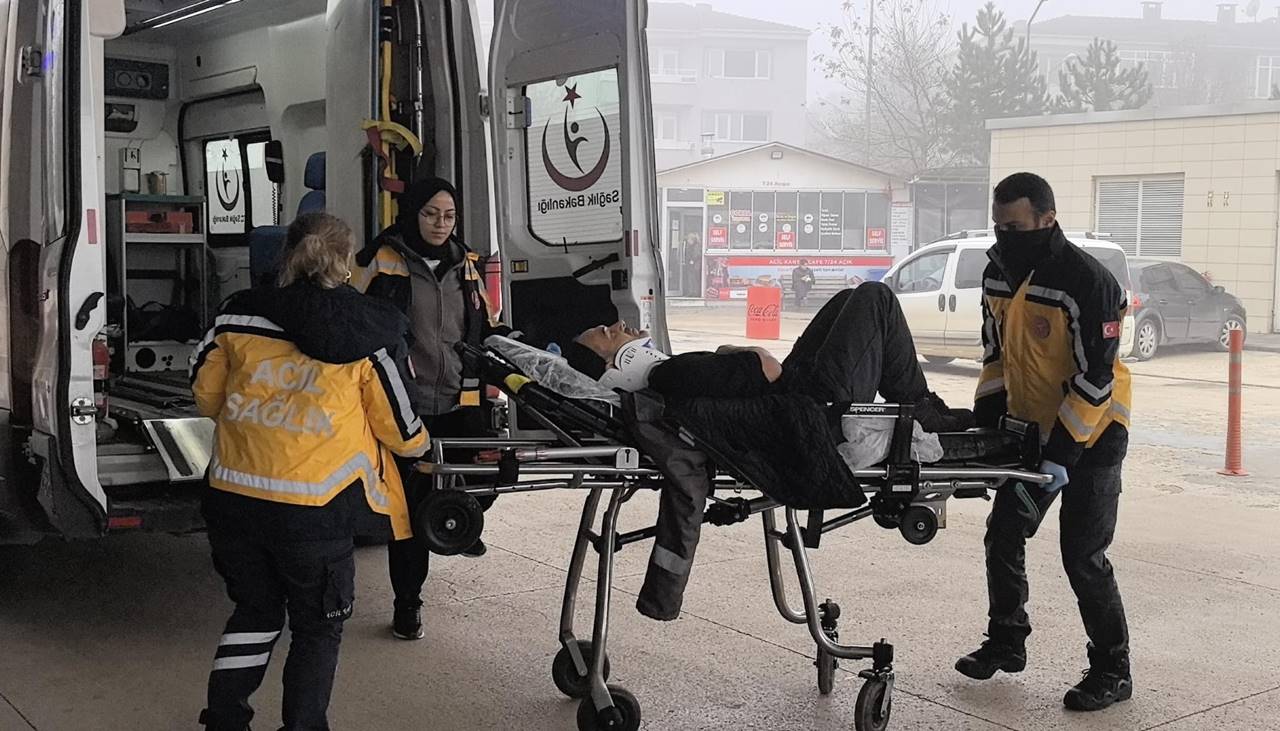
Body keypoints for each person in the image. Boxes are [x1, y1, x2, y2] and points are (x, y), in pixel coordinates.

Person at [192, 212, 428, 731]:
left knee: (254, 613)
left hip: (234, 501)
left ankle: (224, 722)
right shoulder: (370, 329)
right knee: (317, 630)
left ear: (286, 255)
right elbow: (399, 427)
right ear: (346, 262)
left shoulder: (236, 317)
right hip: (316, 514)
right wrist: (421, 446)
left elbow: (207, 398)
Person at [954, 172, 1133, 712]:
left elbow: (1096, 378)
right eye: (998, 225)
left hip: (1094, 435)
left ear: (1047, 219)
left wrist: (1063, 455)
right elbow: (994, 354)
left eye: (1016, 226)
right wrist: (989, 426)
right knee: (1005, 531)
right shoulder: (998, 271)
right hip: (1032, 430)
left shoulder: (1087, 281)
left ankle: (1112, 669)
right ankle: (1007, 640)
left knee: (1083, 555)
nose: (1004, 235)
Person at [353, 176, 503, 641]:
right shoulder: (382, 259)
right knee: (409, 516)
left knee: (494, 476)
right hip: (406, 406)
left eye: (449, 215)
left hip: (464, 400)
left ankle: (457, 517)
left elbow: (485, 324)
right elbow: (357, 321)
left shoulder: (467, 264)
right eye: (431, 214)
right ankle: (408, 605)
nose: (441, 224)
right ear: (412, 213)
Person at [562, 281, 972, 432]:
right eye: (605, 335)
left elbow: (760, 370)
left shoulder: (671, 377)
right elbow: (765, 366)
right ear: (614, 367)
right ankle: (921, 412)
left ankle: (920, 407)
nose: (616, 326)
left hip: (798, 391)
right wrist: (740, 350)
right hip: (817, 403)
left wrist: (735, 354)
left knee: (850, 298)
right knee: (874, 297)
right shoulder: (672, 374)